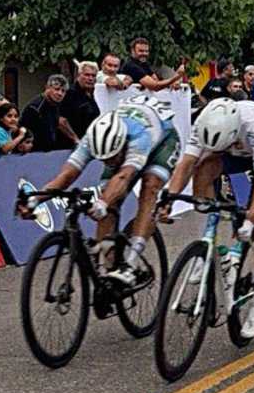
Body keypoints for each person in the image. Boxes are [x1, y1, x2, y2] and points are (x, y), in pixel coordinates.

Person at [161, 98, 254, 339]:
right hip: (233, 150)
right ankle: (209, 240)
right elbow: (187, 163)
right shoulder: (203, 121)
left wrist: (251, 220)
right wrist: (168, 198)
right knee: (203, 168)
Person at [21, 95, 180, 287]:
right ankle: (107, 270)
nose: (108, 163)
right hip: (125, 136)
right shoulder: (92, 138)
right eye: (103, 159)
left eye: (112, 157)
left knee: (149, 188)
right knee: (109, 202)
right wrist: (36, 199)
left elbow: (124, 176)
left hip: (162, 140)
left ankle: (131, 262)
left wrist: (102, 203)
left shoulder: (140, 138)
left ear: (121, 144)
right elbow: (65, 176)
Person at [20, 74, 67, 152]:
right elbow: (23, 130)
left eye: (63, 91)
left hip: (49, 152)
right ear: (47, 88)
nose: (60, 93)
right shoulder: (35, 107)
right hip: (34, 153)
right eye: (57, 89)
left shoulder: (56, 105)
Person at [59, 61, 101, 148]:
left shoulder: (91, 94)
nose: (90, 78)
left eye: (93, 76)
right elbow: (61, 120)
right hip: (69, 147)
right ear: (79, 75)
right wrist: (76, 139)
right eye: (87, 75)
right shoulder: (69, 93)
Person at [118, 37, 186, 91]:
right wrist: (177, 76)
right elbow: (155, 87)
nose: (144, 54)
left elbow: (156, 80)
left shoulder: (144, 63)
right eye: (141, 51)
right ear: (132, 51)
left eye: (146, 51)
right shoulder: (131, 66)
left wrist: (173, 83)